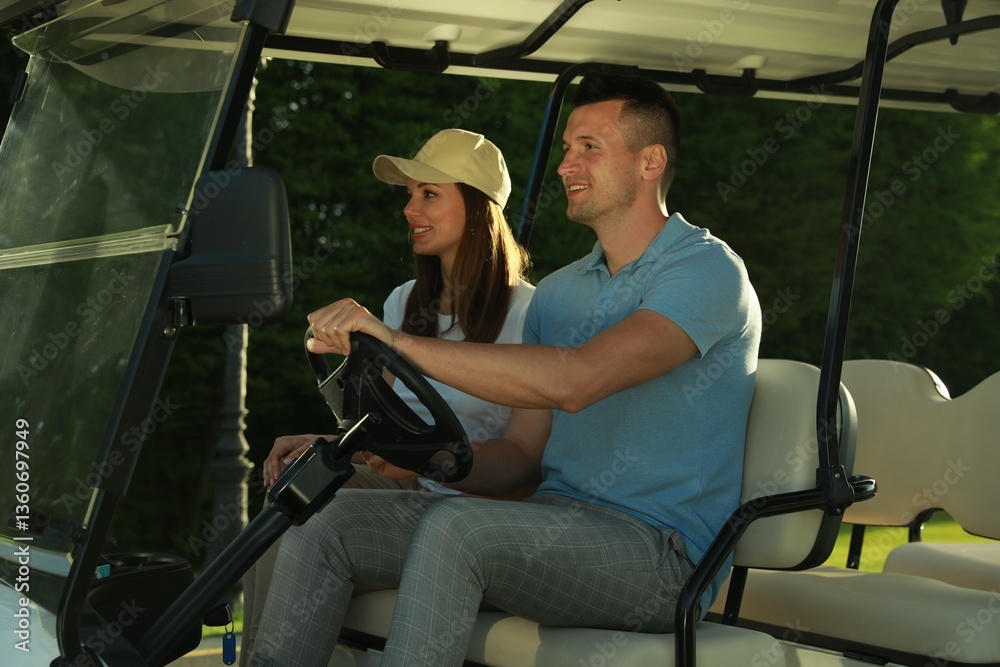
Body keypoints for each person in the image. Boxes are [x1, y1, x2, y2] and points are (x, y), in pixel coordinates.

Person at [250, 72, 762, 667]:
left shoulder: (706, 272)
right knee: (321, 517)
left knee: (459, 530)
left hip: (660, 556)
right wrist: (423, 456)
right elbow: (521, 457)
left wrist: (394, 342)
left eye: (588, 149)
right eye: (567, 148)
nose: (567, 165)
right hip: (551, 527)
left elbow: (577, 380)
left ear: (651, 162)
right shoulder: (563, 292)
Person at [239, 128, 534, 665]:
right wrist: (326, 440)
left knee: (314, 520)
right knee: (293, 489)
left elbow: (524, 463)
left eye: (428, 194)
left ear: (477, 206)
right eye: (409, 193)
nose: (408, 209)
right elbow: (384, 428)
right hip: (413, 491)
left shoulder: (530, 315)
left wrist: (411, 460)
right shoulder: (403, 303)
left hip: (479, 511)